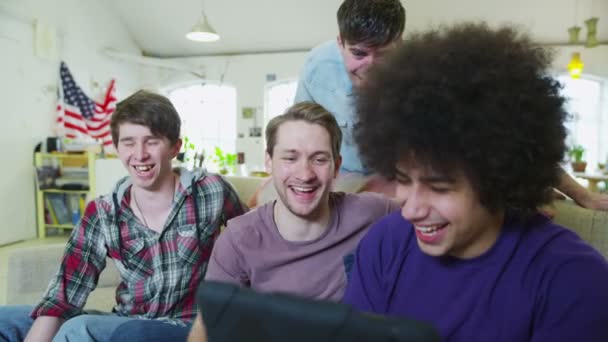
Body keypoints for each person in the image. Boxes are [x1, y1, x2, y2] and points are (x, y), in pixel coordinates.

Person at [342, 23, 608, 341]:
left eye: (439, 188)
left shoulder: (573, 279)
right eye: (402, 180)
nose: (410, 209)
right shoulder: (384, 245)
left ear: (499, 178)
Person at [111, 102, 400, 341]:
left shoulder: (372, 212)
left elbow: (429, 211)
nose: (305, 174)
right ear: (269, 163)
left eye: (319, 159)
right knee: (133, 334)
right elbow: (208, 325)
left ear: (336, 167)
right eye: (290, 158)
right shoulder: (238, 238)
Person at [293, 0, 608, 210]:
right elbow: (297, 131)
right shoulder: (317, 67)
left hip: (401, 176)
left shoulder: (426, 71)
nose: (371, 66)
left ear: (400, 43)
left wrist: (577, 193)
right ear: (340, 43)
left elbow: (500, 135)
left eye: (384, 55)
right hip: (346, 176)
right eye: (359, 54)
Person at [0, 90, 246, 342]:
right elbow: (66, 292)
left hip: (187, 328)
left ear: (175, 147)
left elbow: (254, 247)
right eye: (128, 142)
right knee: (4, 319)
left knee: (79, 330)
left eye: (152, 141)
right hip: (126, 323)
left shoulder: (211, 191)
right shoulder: (103, 213)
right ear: (117, 147)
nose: (139, 155)